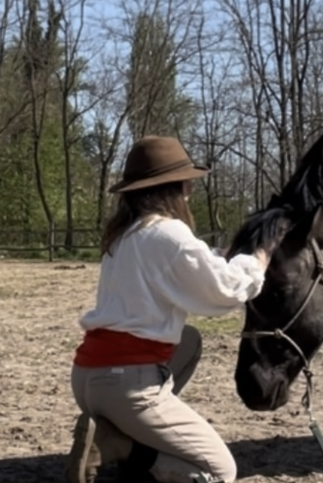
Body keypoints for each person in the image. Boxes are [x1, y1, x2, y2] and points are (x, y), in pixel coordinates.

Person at [65, 136, 271, 483]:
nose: (190, 188)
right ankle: (121, 445)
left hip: (88, 377)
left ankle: (123, 433)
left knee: (187, 340)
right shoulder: (169, 233)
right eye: (185, 181)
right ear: (171, 187)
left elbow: (190, 269)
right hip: (127, 384)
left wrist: (223, 257)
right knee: (220, 471)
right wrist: (259, 259)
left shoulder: (125, 234)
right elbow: (225, 290)